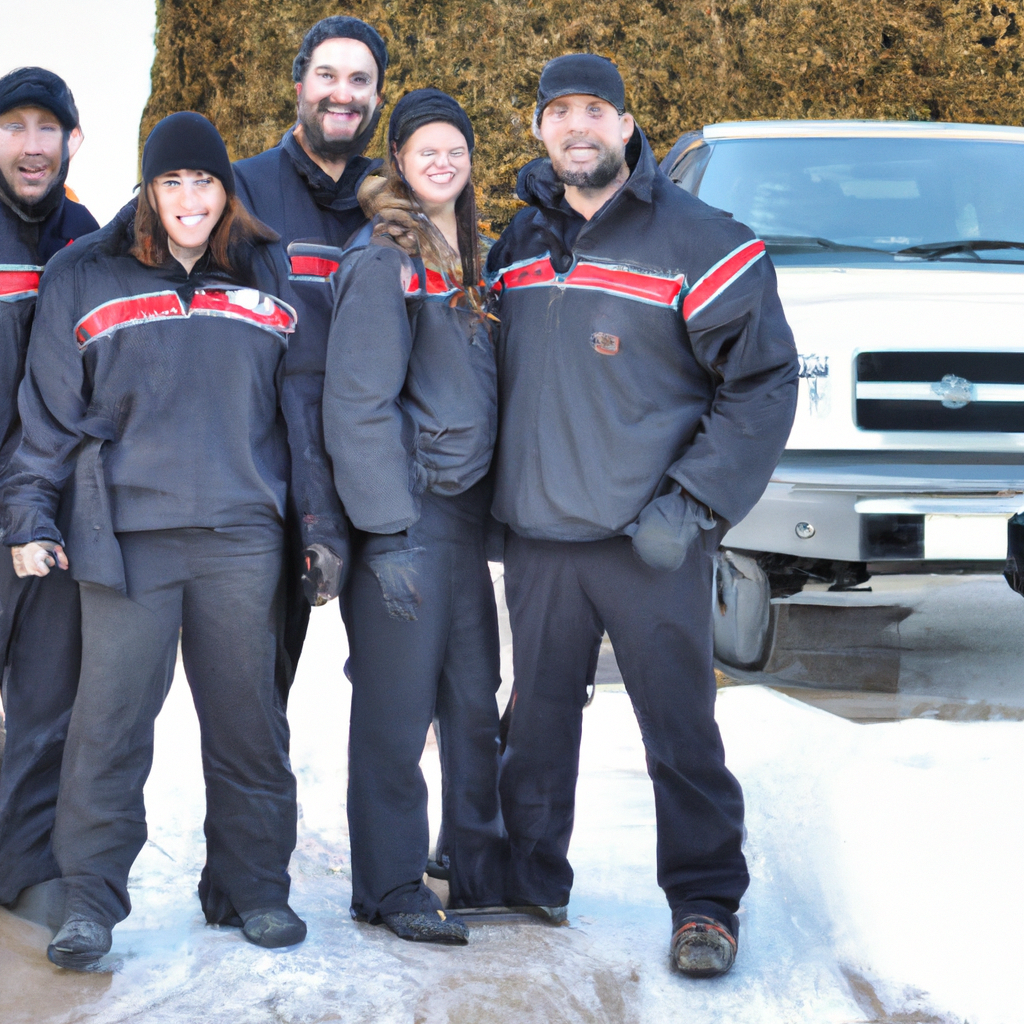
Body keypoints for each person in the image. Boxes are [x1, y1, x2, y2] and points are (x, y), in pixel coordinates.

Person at [485, 54, 799, 977]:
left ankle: (704, 902)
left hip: (651, 541)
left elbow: (763, 381)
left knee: (681, 732)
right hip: (543, 540)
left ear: (627, 126)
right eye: (559, 111)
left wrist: (695, 501)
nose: (577, 126)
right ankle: (528, 875)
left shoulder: (703, 239)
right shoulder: (514, 247)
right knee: (533, 727)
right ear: (539, 128)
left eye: (595, 110)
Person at [2, 111, 318, 968]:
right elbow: (48, 420)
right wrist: (27, 516)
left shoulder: (267, 273)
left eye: (204, 182)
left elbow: (299, 417)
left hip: (241, 540)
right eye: (172, 182)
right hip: (126, 542)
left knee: (249, 725)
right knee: (106, 730)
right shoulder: (84, 275)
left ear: (226, 192)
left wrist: (318, 531)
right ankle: (90, 904)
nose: (189, 198)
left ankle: (256, 889)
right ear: (148, 190)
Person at [323, 89, 505, 945]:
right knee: (398, 714)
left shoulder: (468, 251)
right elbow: (356, 404)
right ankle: (390, 886)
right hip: (409, 519)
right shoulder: (381, 260)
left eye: (455, 147)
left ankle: (473, 866)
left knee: (473, 698)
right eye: (424, 148)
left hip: (464, 521)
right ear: (397, 160)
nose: (442, 160)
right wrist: (387, 531)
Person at [233, 16, 390, 685]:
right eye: (327, 75)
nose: (342, 93)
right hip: (266, 483)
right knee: (256, 698)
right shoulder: (240, 190)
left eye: (360, 80)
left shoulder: (396, 201)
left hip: (374, 481)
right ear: (300, 83)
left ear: (378, 98)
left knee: (402, 691)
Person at [0, 66, 98, 919]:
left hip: (51, 509)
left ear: (73, 141)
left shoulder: (87, 239)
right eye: (14, 127)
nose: (31, 145)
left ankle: (25, 867)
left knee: (44, 701)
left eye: (46, 129)